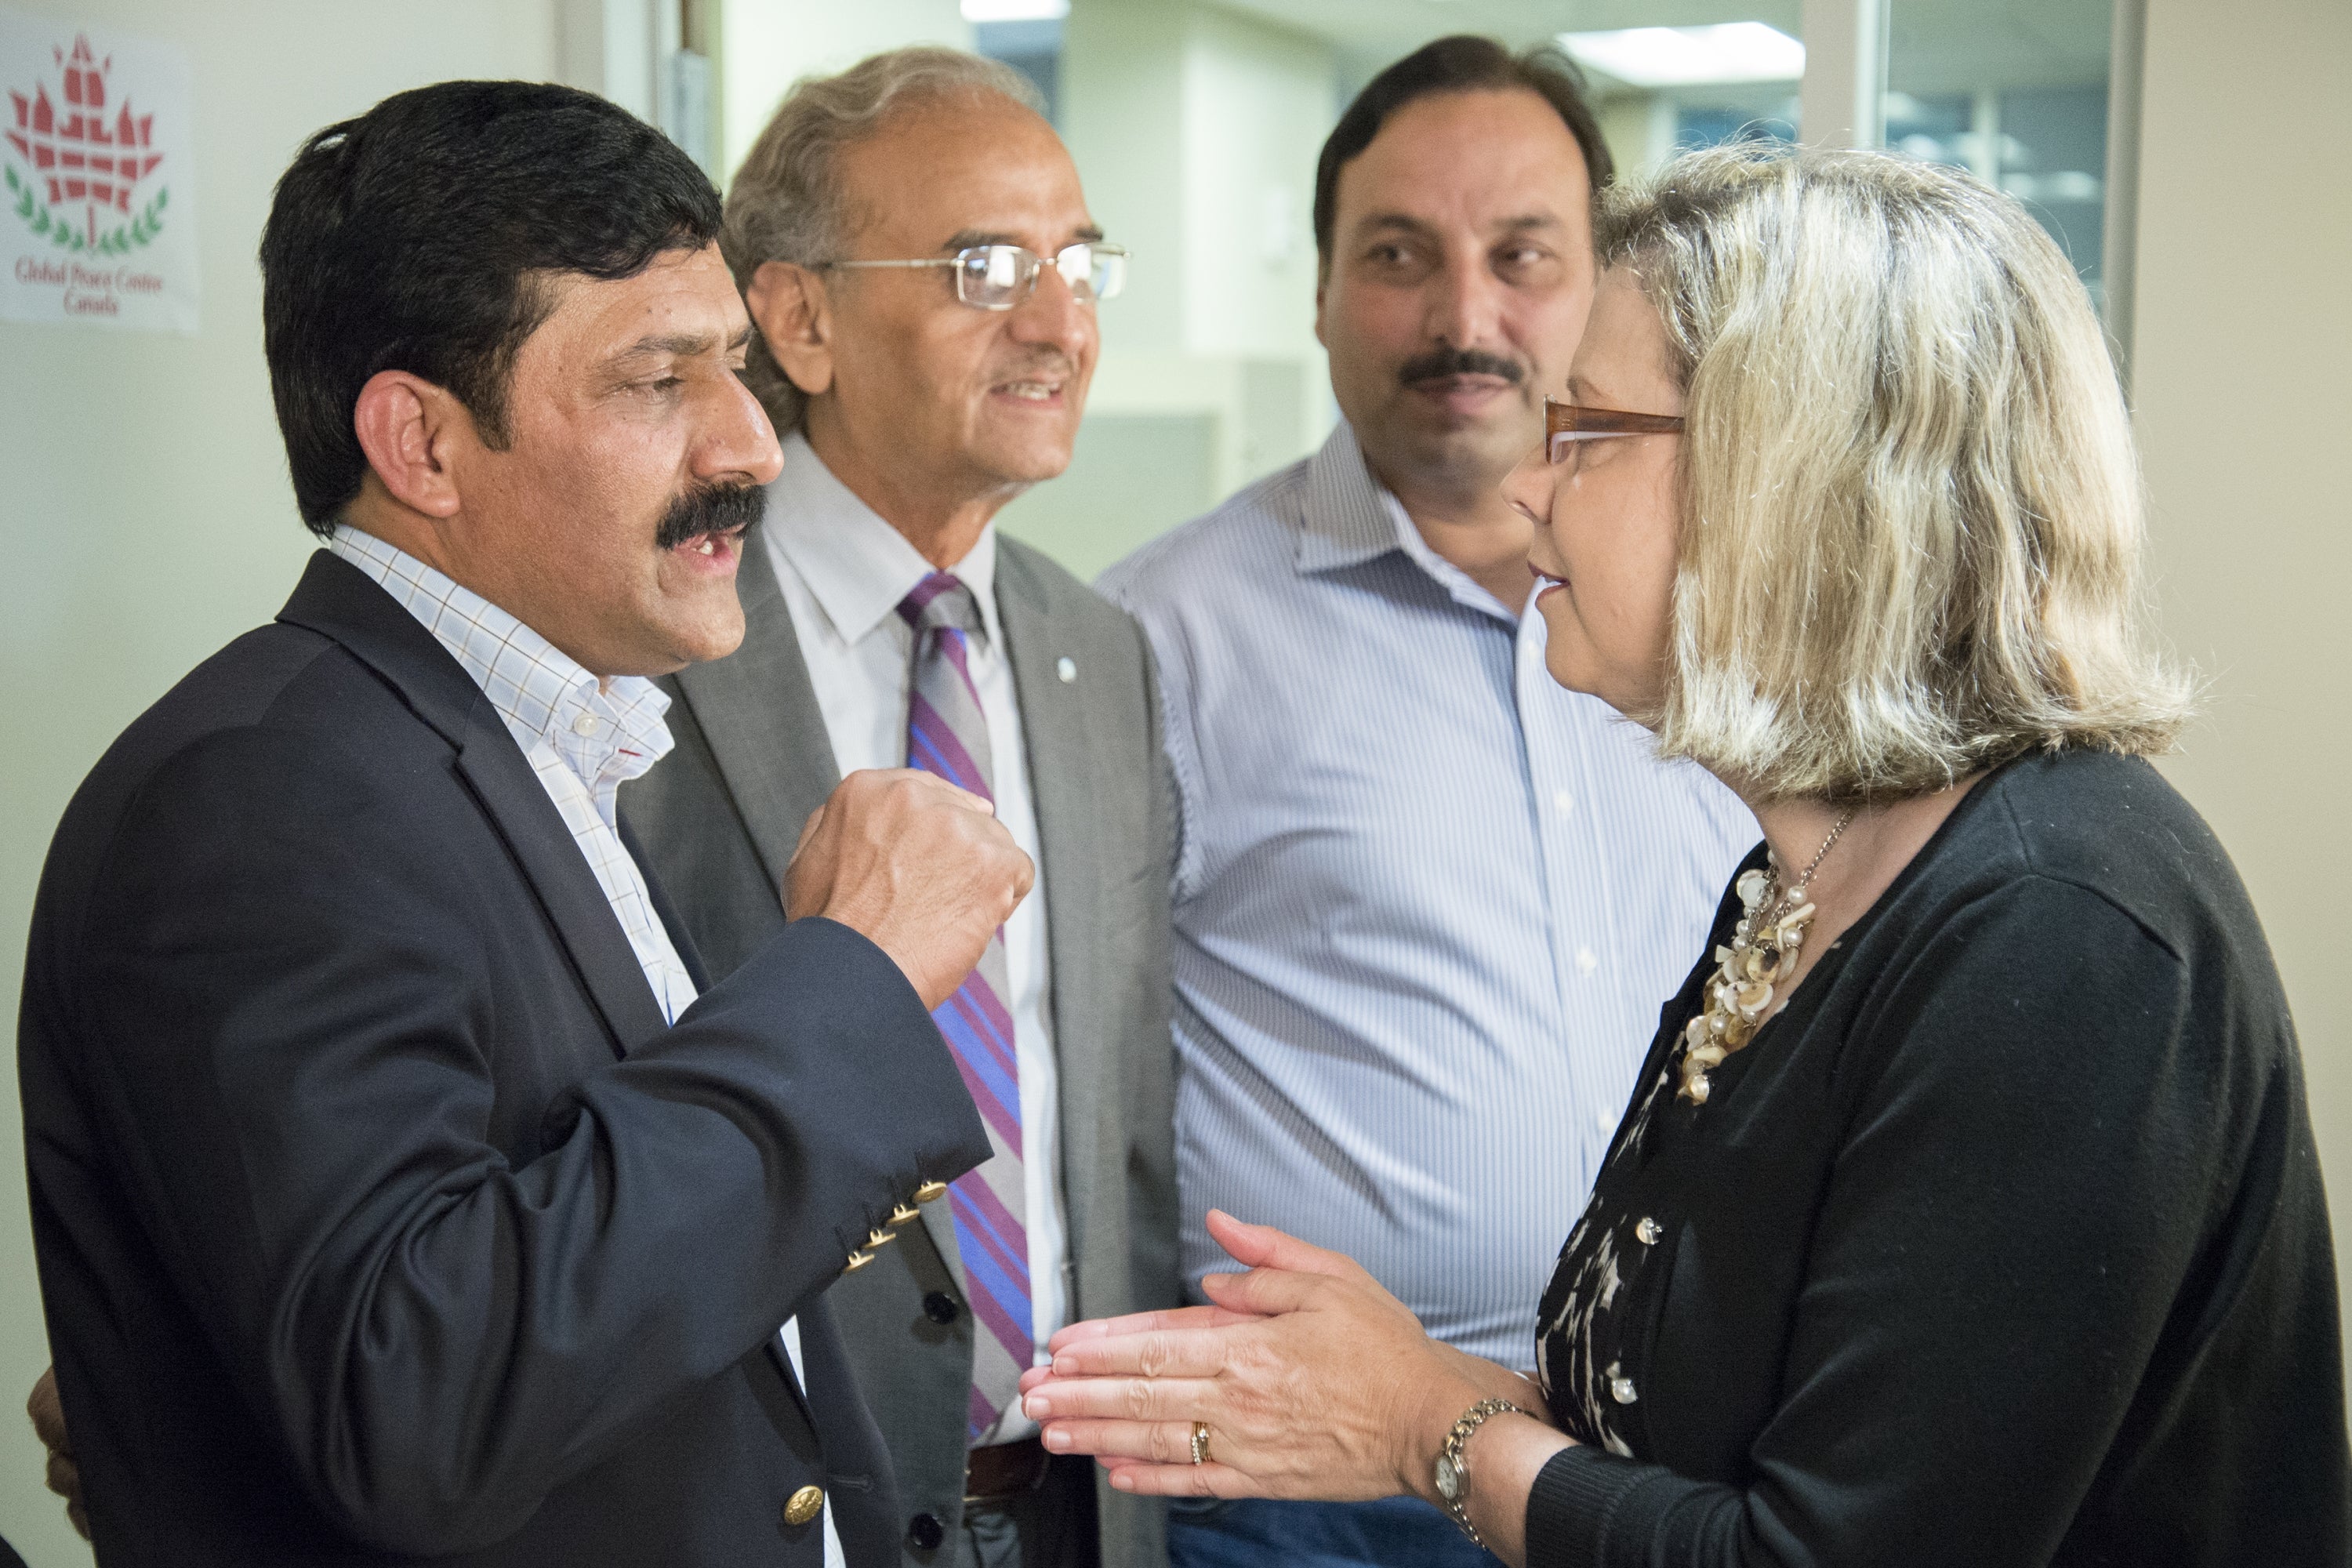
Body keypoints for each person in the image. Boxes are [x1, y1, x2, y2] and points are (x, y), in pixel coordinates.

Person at [1023, 143, 2351, 1566]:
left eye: (1584, 429)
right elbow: (1713, 1433)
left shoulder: (2059, 930)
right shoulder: (1811, 875)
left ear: (1795, 480)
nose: (1530, 492)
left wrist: (1423, 1426)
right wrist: (1388, 1381)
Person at [16, 80, 1025, 1566]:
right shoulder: (258, 798)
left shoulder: (540, 744)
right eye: (658, 379)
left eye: (736, 366)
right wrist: (849, 979)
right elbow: (419, 1397)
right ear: (419, 444)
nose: (752, 444)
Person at [1093, 37, 1751, 1568]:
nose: (1466, 316)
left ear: (1604, 291)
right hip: (1319, 1500)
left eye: (1523, 256)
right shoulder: (1155, 639)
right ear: (1320, 290)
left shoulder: (1728, 631)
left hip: (1675, 1466)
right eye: (1399, 256)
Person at [619, 49, 1178, 1568]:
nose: (1060, 323)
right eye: (985, 265)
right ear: (799, 318)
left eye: (1080, 264)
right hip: (782, 1507)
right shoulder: (648, 639)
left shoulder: (1098, 649)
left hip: (1075, 1502)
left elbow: (1113, 1117)